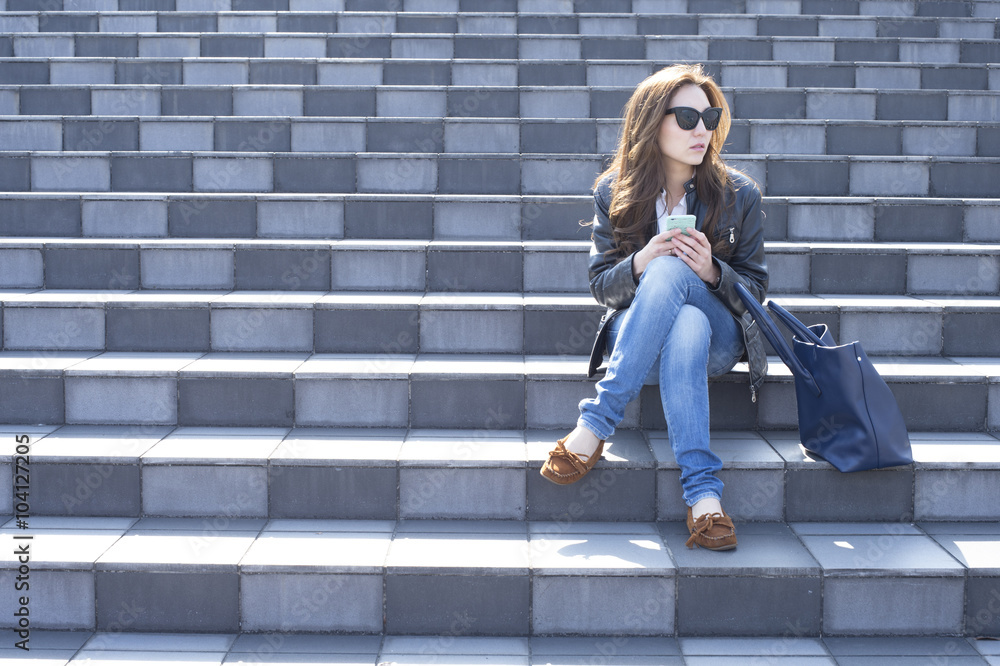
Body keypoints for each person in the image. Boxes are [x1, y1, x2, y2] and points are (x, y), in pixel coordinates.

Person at [540, 64, 768, 551]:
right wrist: (643, 260)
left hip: (719, 336)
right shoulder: (613, 192)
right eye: (686, 117)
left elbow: (755, 291)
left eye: (709, 117)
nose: (701, 130)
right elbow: (603, 286)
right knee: (674, 301)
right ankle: (704, 496)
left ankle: (596, 423)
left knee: (687, 302)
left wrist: (711, 271)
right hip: (644, 329)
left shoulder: (739, 195)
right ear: (651, 121)